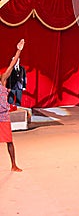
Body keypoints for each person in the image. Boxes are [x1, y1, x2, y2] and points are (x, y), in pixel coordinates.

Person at [0, 39, 25, 171]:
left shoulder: (3, 80)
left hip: (3, 117)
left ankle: (13, 165)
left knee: (9, 141)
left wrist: (19, 50)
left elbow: (12, 64)